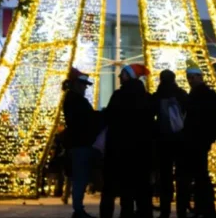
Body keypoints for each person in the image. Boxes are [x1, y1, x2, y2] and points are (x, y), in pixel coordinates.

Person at [101, 64, 155, 218]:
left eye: (122, 74)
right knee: (142, 189)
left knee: (125, 190)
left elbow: (109, 118)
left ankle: (126, 213)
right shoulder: (146, 97)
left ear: (129, 76)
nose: (119, 77)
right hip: (142, 150)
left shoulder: (119, 95)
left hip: (120, 149)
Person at [178, 64, 216, 218]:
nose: (190, 80)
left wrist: (206, 136)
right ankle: (203, 208)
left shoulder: (200, 97)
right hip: (197, 142)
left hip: (194, 142)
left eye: (192, 77)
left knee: (197, 177)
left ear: (200, 77)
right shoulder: (203, 96)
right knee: (200, 177)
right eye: (189, 78)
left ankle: (203, 209)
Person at [62, 68, 103, 218]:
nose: (86, 88)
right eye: (83, 85)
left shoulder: (71, 99)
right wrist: (102, 115)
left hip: (77, 142)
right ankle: (78, 209)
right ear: (76, 85)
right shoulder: (77, 101)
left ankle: (78, 208)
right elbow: (87, 120)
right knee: (80, 177)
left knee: (80, 176)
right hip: (80, 143)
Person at [153, 70, 188, 218]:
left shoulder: (157, 95)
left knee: (165, 177)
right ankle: (181, 210)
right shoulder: (181, 94)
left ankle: (165, 210)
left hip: (163, 142)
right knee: (182, 177)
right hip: (180, 141)